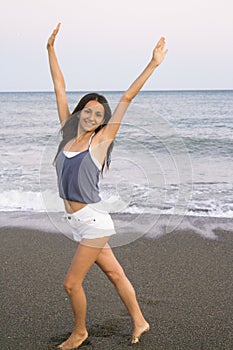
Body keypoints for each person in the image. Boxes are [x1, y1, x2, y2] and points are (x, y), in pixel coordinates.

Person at [47, 23, 167, 350]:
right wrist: (51, 49)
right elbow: (60, 87)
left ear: (103, 120)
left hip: (93, 222)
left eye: (98, 114)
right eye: (88, 110)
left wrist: (153, 64)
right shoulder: (67, 136)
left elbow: (127, 96)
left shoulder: (100, 142)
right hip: (77, 222)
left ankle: (80, 332)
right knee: (115, 275)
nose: (91, 116)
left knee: (71, 284)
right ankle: (140, 320)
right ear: (81, 111)